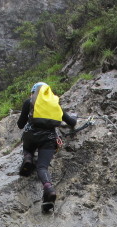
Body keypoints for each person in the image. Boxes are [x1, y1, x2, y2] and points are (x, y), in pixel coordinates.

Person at [17, 82, 77, 212]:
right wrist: (75, 117)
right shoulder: (54, 105)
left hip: (31, 136)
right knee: (42, 167)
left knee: (27, 147)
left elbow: (20, 125)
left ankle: (28, 158)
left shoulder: (29, 102)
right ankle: (49, 189)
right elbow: (71, 122)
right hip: (48, 140)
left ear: (34, 92)